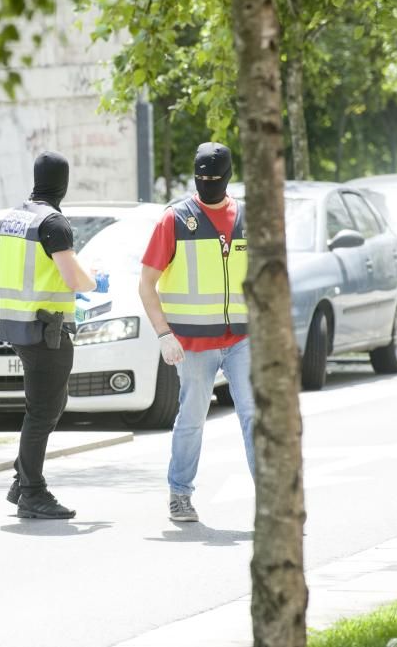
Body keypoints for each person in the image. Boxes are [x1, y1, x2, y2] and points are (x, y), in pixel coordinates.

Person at [138, 142, 255, 522]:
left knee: (255, 415)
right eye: (201, 179)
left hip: (241, 339)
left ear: (228, 178)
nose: (208, 184)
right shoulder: (174, 220)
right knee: (192, 417)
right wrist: (162, 334)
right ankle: (179, 493)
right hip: (193, 343)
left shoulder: (246, 219)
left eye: (214, 179)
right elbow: (146, 284)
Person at [0, 151, 96, 519]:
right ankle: (32, 493)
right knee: (44, 411)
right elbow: (74, 278)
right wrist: (94, 280)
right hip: (45, 329)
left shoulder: (16, 217)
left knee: (42, 407)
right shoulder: (54, 223)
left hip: (20, 325)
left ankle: (22, 479)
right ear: (64, 183)